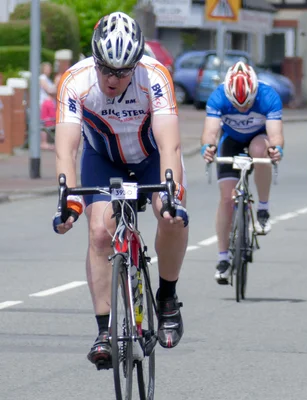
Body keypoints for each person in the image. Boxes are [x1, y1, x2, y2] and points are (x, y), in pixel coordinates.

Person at [52, 11, 190, 369]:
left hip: (150, 158)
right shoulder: (76, 81)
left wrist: (172, 195)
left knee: (172, 217)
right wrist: (67, 200)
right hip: (104, 160)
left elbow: (170, 143)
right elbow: (66, 147)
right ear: (94, 60)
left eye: (123, 71)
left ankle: (168, 297)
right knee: (99, 233)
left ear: (137, 63)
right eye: (106, 69)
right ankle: (103, 329)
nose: (113, 79)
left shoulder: (154, 76)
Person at [200, 61, 284, 285]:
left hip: (259, 137)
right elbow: (210, 131)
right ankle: (223, 258)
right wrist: (207, 148)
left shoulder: (268, 96)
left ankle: (263, 209)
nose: (243, 108)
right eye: (237, 105)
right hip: (231, 141)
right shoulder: (218, 97)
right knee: (227, 198)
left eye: (247, 103)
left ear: (255, 91)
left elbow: (275, 135)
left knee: (260, 150)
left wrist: (276, 150)